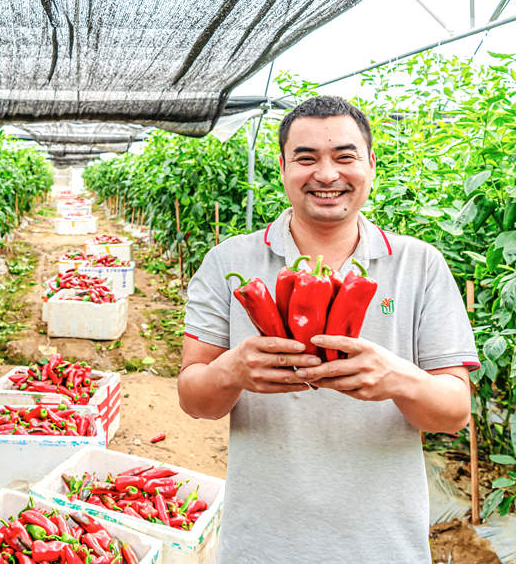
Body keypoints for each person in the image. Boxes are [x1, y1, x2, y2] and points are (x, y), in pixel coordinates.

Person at [178, 96, 480, 562]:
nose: (326, 174)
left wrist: (396, 378)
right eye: (306, 158)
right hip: (262, 543)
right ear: (282, 168)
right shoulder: (228, 262)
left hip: (384, 545)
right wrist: (231, 372)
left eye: (344, 156)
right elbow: (194, 400)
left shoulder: (419, 265)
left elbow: (455, 411)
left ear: (370, 165)